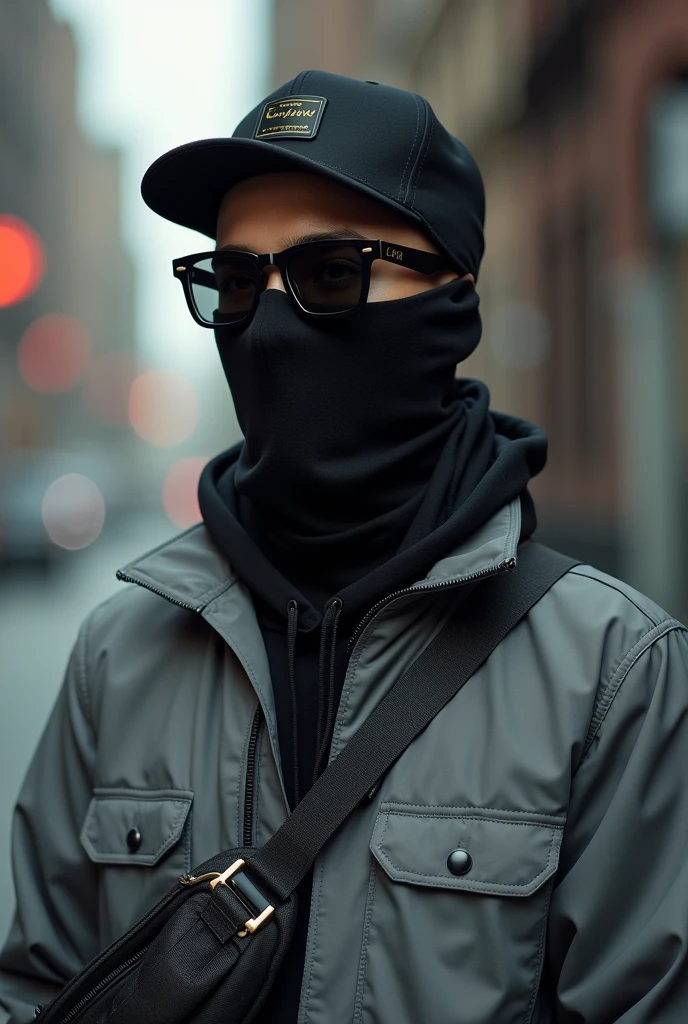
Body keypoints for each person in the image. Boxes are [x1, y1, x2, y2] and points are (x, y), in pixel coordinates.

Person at [1, 70, 687, 1024]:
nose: (269, 326)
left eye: (331, 274)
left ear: (451, 301)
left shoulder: (614, 676)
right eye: (237, 281)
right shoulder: (117, 655)